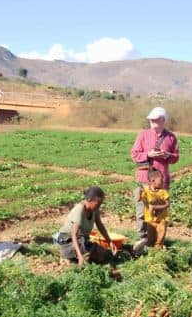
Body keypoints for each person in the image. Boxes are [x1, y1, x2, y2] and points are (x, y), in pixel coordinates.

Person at [130, 107, 179, 242]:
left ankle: (157, 241)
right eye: (151, 121)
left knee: (161, 212)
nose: (152, 123)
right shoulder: (143, 134)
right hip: (144, 180)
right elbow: (134, 154)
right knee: (141, 211)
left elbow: (176, 157)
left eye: (155, 121)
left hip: (161, 182)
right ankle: (142, 239)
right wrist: (148, 154)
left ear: (163, 120)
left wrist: (167, 155)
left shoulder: (171, 137)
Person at [56, 186, 118, 265]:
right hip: (68, 240)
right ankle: (67, 256)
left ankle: (75, 256)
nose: (99, 206)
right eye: (98, 203)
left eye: (101, 204)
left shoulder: (95, 209)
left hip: (82, 240)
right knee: (89, 255)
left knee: (101, 254)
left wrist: (110, 242)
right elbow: (74, 234)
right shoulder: (80, 209)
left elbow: (100, 226)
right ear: (89, 200)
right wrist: (80, 255)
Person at [132, 170, 170, 255]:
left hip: (162, 218)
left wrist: (156, 207)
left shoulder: (163, 192)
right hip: (150, 219)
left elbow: (167, 204)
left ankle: (158, 250)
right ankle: (149, 250)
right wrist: (140, 192)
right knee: (151, 237)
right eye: (161, 180)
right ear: (153, 181)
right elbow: (139, 200)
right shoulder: (146, 191)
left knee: (161, 235)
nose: (163, 182)